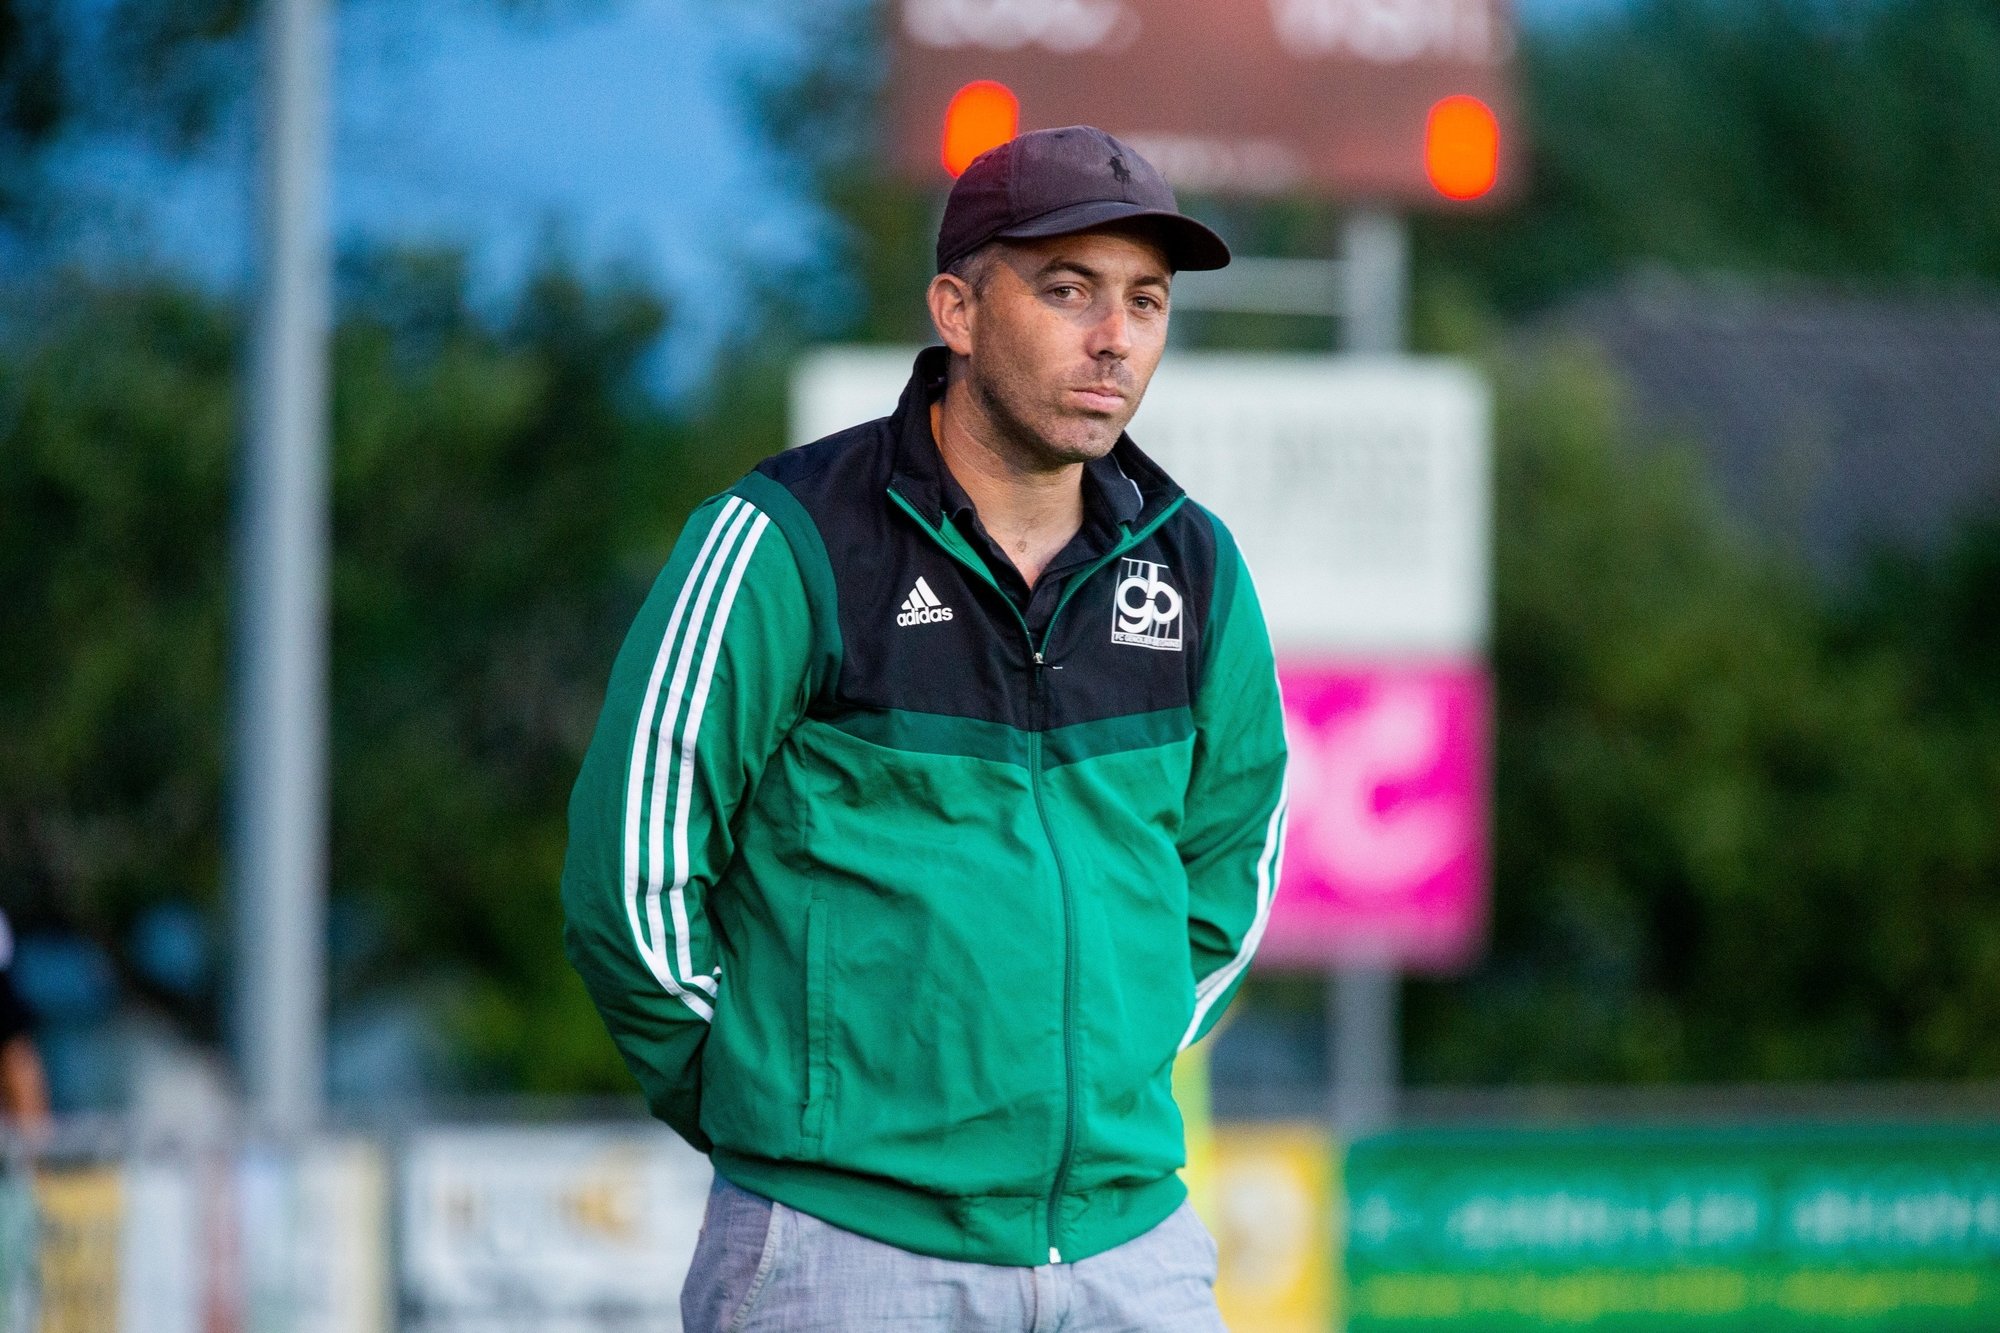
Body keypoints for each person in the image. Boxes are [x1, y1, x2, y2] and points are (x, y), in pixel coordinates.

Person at [562, 125, 1288, 1331]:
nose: (1114, 337)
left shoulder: (1195, 567)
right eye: (1068, 291)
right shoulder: (783, 542)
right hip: (842, 1249)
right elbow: (627, 873)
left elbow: (1234, 859)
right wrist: (774, 1101)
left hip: (1130, 1249)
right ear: (955, 308)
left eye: (1144, 301)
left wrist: (1123, 1047)